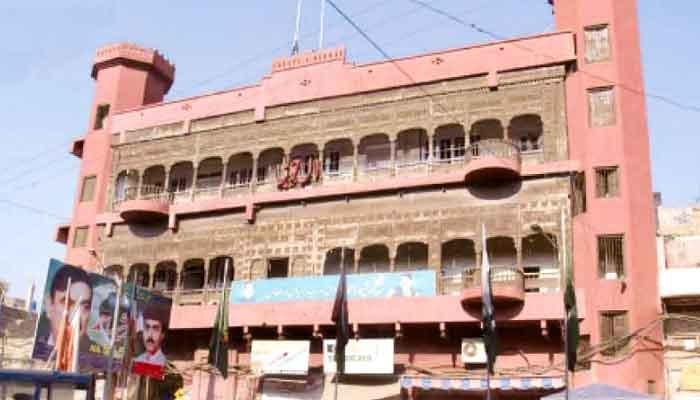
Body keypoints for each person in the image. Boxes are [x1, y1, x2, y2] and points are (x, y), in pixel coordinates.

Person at [40, 266, 93, 350]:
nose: (75, 317)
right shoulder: (38, 345)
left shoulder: (97, 357)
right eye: (67, 303)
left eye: (85, 307)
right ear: (49, 305)